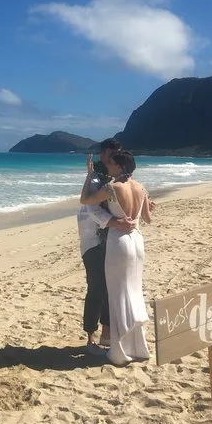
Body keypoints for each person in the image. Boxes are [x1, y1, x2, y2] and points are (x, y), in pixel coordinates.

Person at [102, 151, 155, 366]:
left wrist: (89, 177)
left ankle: (120, 350)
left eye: (111, 163)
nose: (108, 166)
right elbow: (148, 219)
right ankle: (138, 346)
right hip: (137, 241)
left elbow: (85, 200)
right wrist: (148, 206)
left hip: (120, 241)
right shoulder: (141, 188)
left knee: (118, 293)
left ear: (120, 166)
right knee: (134, 290)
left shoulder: (112, 188)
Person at [75, 139, 125, 355]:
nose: (116, 159)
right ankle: (90, 337)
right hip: (92, 240)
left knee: (110, 287)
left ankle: (106, 334)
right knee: (96, 288)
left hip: (110, 239)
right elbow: (90, 207)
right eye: (114, 155)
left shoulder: (114, 178)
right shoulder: (96, 178)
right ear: (105, 155)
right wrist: (116, 223)